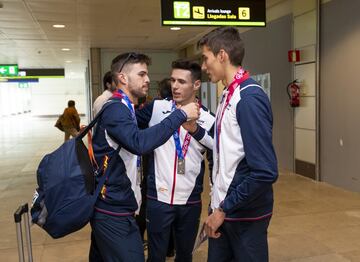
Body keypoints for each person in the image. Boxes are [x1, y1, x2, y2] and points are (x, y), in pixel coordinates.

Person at [89, 52, 200, 262]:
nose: (148, 79)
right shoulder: (115, 109)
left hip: (116, 206)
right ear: (123, 78)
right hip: (112, 209)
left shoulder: (126, 108)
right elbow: (139, 143)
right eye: (141, 74)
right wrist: (181, 115)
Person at [197, 27, 278, 262]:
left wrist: (223, 209)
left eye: (206, 58)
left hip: (244, 216)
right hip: (225, 211)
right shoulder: (228, 95)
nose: (203, 66)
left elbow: (264, 171)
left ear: (222, 55)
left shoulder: (249, 98)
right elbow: (226, 148)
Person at [136, 59, 215, 262]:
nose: (175, 86)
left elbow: (220, 152)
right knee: (155, 256)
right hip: (157, 198)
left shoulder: (208, 118)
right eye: (173, 80)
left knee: (184, 256)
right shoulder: (156, 108)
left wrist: (196, 131)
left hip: (190, 200)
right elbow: (129, 128)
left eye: (181, 81)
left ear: (196, 85)